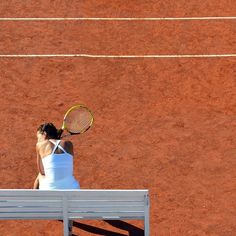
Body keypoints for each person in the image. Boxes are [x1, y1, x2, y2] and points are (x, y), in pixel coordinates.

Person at [33, 123, 79, 235]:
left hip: (50, 192)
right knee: (66, 178)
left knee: (39, 176)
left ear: (44, 134)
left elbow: (42, 171)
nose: (38, 140)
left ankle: (34, 200)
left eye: (38, 137)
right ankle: (69, 229)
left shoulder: (40, 145)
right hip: (73, 191)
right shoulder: (69, 144)